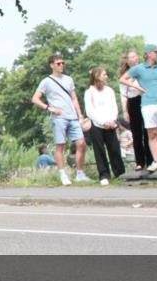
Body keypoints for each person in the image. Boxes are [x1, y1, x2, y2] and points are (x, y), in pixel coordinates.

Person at [31, 54, 91, 185]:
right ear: (52, 65)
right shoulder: (46, 81)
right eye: (58, 63)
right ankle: (63, 174)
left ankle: (80, 174)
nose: (61, 65)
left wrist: (80, 114)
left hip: (73, 117)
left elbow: (74, 98)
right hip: (59, 118)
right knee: (60, 146)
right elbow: (35, 98)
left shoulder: (69, 79)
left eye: (63, 63)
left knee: (81, 144)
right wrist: (49, 108)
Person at [119, 44, 157, 173]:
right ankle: (156, 161)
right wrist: (139, 88)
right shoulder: (139, 68)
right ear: (149, 54)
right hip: (148, 103)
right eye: (156, 52)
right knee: (152, 133)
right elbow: (122, 79)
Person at [84, 67, 126, 185]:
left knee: (115, 149)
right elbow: (90, 111)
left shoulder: (109, 91)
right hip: (97, 125)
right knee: (99, 151)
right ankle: (104, 175)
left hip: (111, 124)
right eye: (104, 74)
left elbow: (114, 106)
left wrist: (112, 120)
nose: (106, 76)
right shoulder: (89, 92)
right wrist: (103, 122)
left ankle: (120, 173)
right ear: (97, 76)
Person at [118, 49, 151, 171]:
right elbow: (123, 94)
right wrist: (125, 111)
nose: (134, 58)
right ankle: (139, 162)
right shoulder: (125, 75)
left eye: (135, 56)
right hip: (133, 102)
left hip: (146, 100)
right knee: (136, 133)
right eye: (131, 57)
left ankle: (151, 160)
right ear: (127, 60)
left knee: (149, 131)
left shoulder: (144, 69)